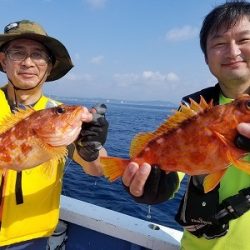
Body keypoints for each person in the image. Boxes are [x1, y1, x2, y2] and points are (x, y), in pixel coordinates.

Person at [122, 1, 250, 249]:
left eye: (244, 40)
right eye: (219, 44)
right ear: (206, 57)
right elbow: (179, 168)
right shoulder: (193, 108)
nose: (232, 51)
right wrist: (154, 187)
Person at [0, 20, 108, 249]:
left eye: (38, 55)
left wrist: (91, 148)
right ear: (3, 61)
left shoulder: (60, 115)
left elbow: (97, 169)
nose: (28, 62)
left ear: (49, 67)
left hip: (29, 239)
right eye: (18, 53)